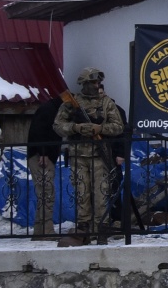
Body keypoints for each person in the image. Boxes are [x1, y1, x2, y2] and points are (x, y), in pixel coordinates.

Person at [54, 68, 124, 246]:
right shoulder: (72, 103)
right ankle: (83, 229)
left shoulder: (106, 103)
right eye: (93, 82)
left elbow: (118, 126)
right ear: (84, 83)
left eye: (98, 82)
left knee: (101, 193)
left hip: (99, 155)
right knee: (81, 192)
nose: (96, 85)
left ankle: (101, 229)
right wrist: (75, 128)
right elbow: (58, 125)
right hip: (78, 155)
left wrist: (100, 129)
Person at [26, 94, 64, 237]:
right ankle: (45, 230)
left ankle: (40, 230)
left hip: (43, 155)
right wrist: (43, 152)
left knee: (45, 193)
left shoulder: (50, 108)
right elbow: (39, 130)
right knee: (46, 193)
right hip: (41, 157)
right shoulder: (49, 110)